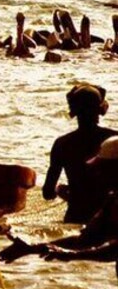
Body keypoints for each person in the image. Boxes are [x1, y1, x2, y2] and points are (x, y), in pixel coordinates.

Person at [0, 136, 118, 279]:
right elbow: (86, 240)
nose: (97, 173)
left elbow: (114, 251)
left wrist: (72, 256)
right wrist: (31, 247)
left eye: (103, 168)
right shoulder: (113, 201)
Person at [42, 83, 116, 223]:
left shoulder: (62, 144)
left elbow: (47, 193)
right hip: (109, 218)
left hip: (76, 216)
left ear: (73, 111)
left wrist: (63, 191)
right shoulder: (113, 141)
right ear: (101, 109)